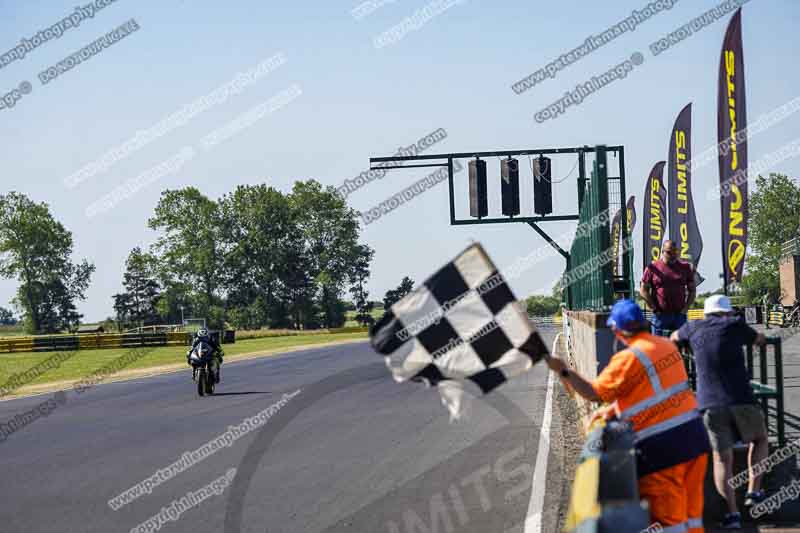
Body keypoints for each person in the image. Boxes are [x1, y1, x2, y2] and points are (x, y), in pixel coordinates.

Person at [546, 299, 709, 532]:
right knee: (692, 518)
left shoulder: (628, 358)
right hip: (695, 438)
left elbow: (593, 393)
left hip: (663, 449)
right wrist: (617, 408)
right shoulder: (666, 346)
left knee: (668, 522)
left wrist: (563, 369)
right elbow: (658, 391)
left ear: (616, 329)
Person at [671, 294, 768, 528]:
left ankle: (732, 515)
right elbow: (759, 339)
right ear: (727, 312)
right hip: (741, 398)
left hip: (709, 404)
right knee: (760, 439)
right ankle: (754, 491)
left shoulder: (693, 327)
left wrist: (687, 348)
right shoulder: (734, 324)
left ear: (706, 312)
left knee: (721, 459)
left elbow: (673, 338)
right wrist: (760, 340)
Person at [640, 240, 696, 337]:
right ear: (662, 252)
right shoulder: (652, 267)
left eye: (675, 251)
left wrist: (686, 309)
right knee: (658, 347)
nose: (672, 254)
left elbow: (692, 290)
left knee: (682, 345)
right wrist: (654, 309)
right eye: (669, 252)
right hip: (660, 316)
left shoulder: (685, 267)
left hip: (680, 316)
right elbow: (643, 290)